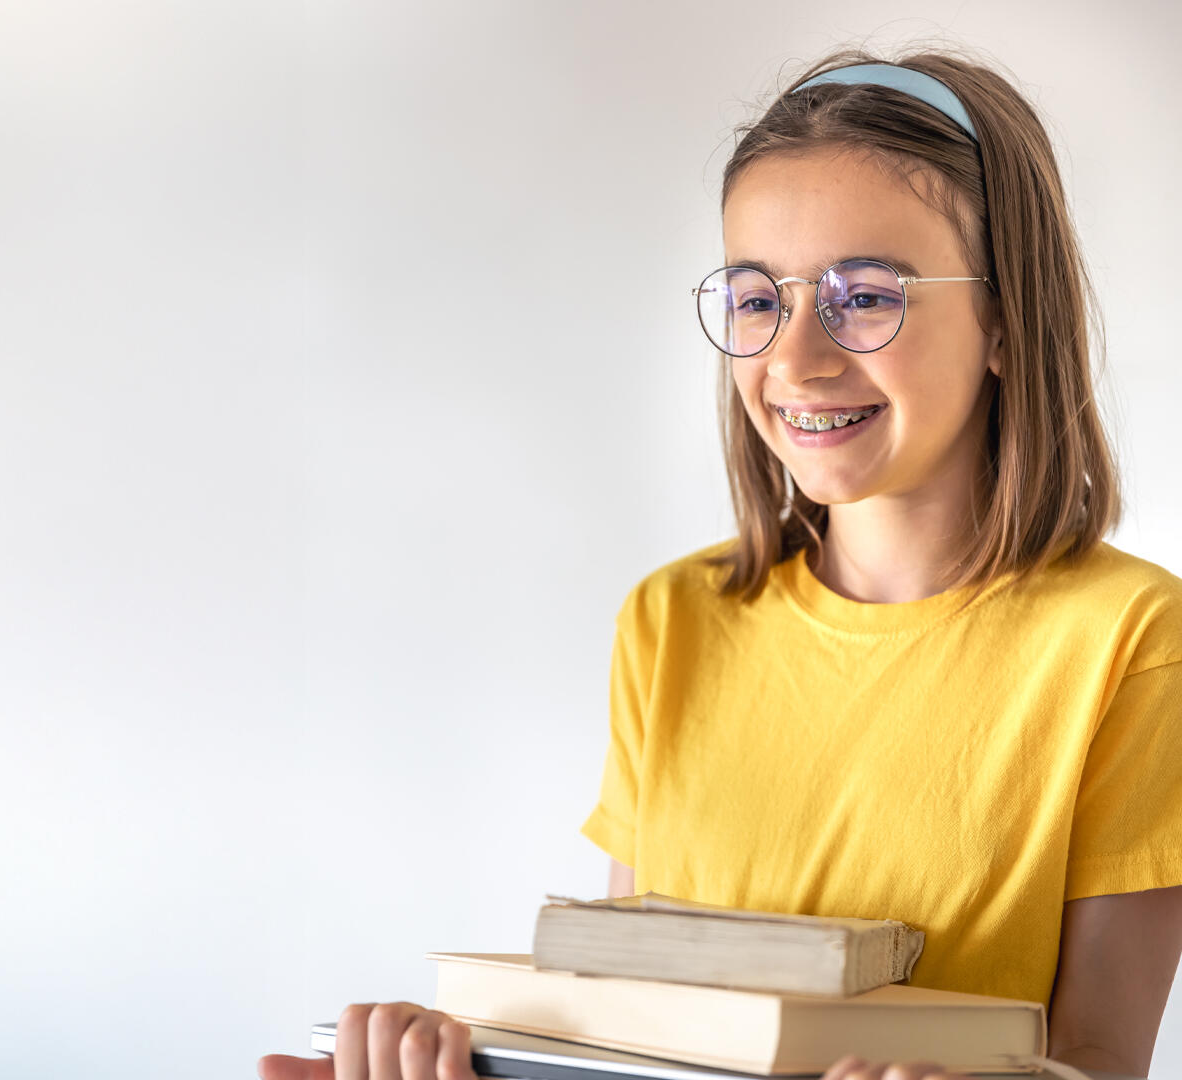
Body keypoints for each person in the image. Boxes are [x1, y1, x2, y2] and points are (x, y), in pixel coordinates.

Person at [258, 44, 1182, 1080]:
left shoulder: (1133, 642)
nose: (796, 358)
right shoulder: (672, 620)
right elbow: (634, 1031)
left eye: (865, 295)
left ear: (1007, 318)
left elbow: (1101, 1055)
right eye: (756, 299)